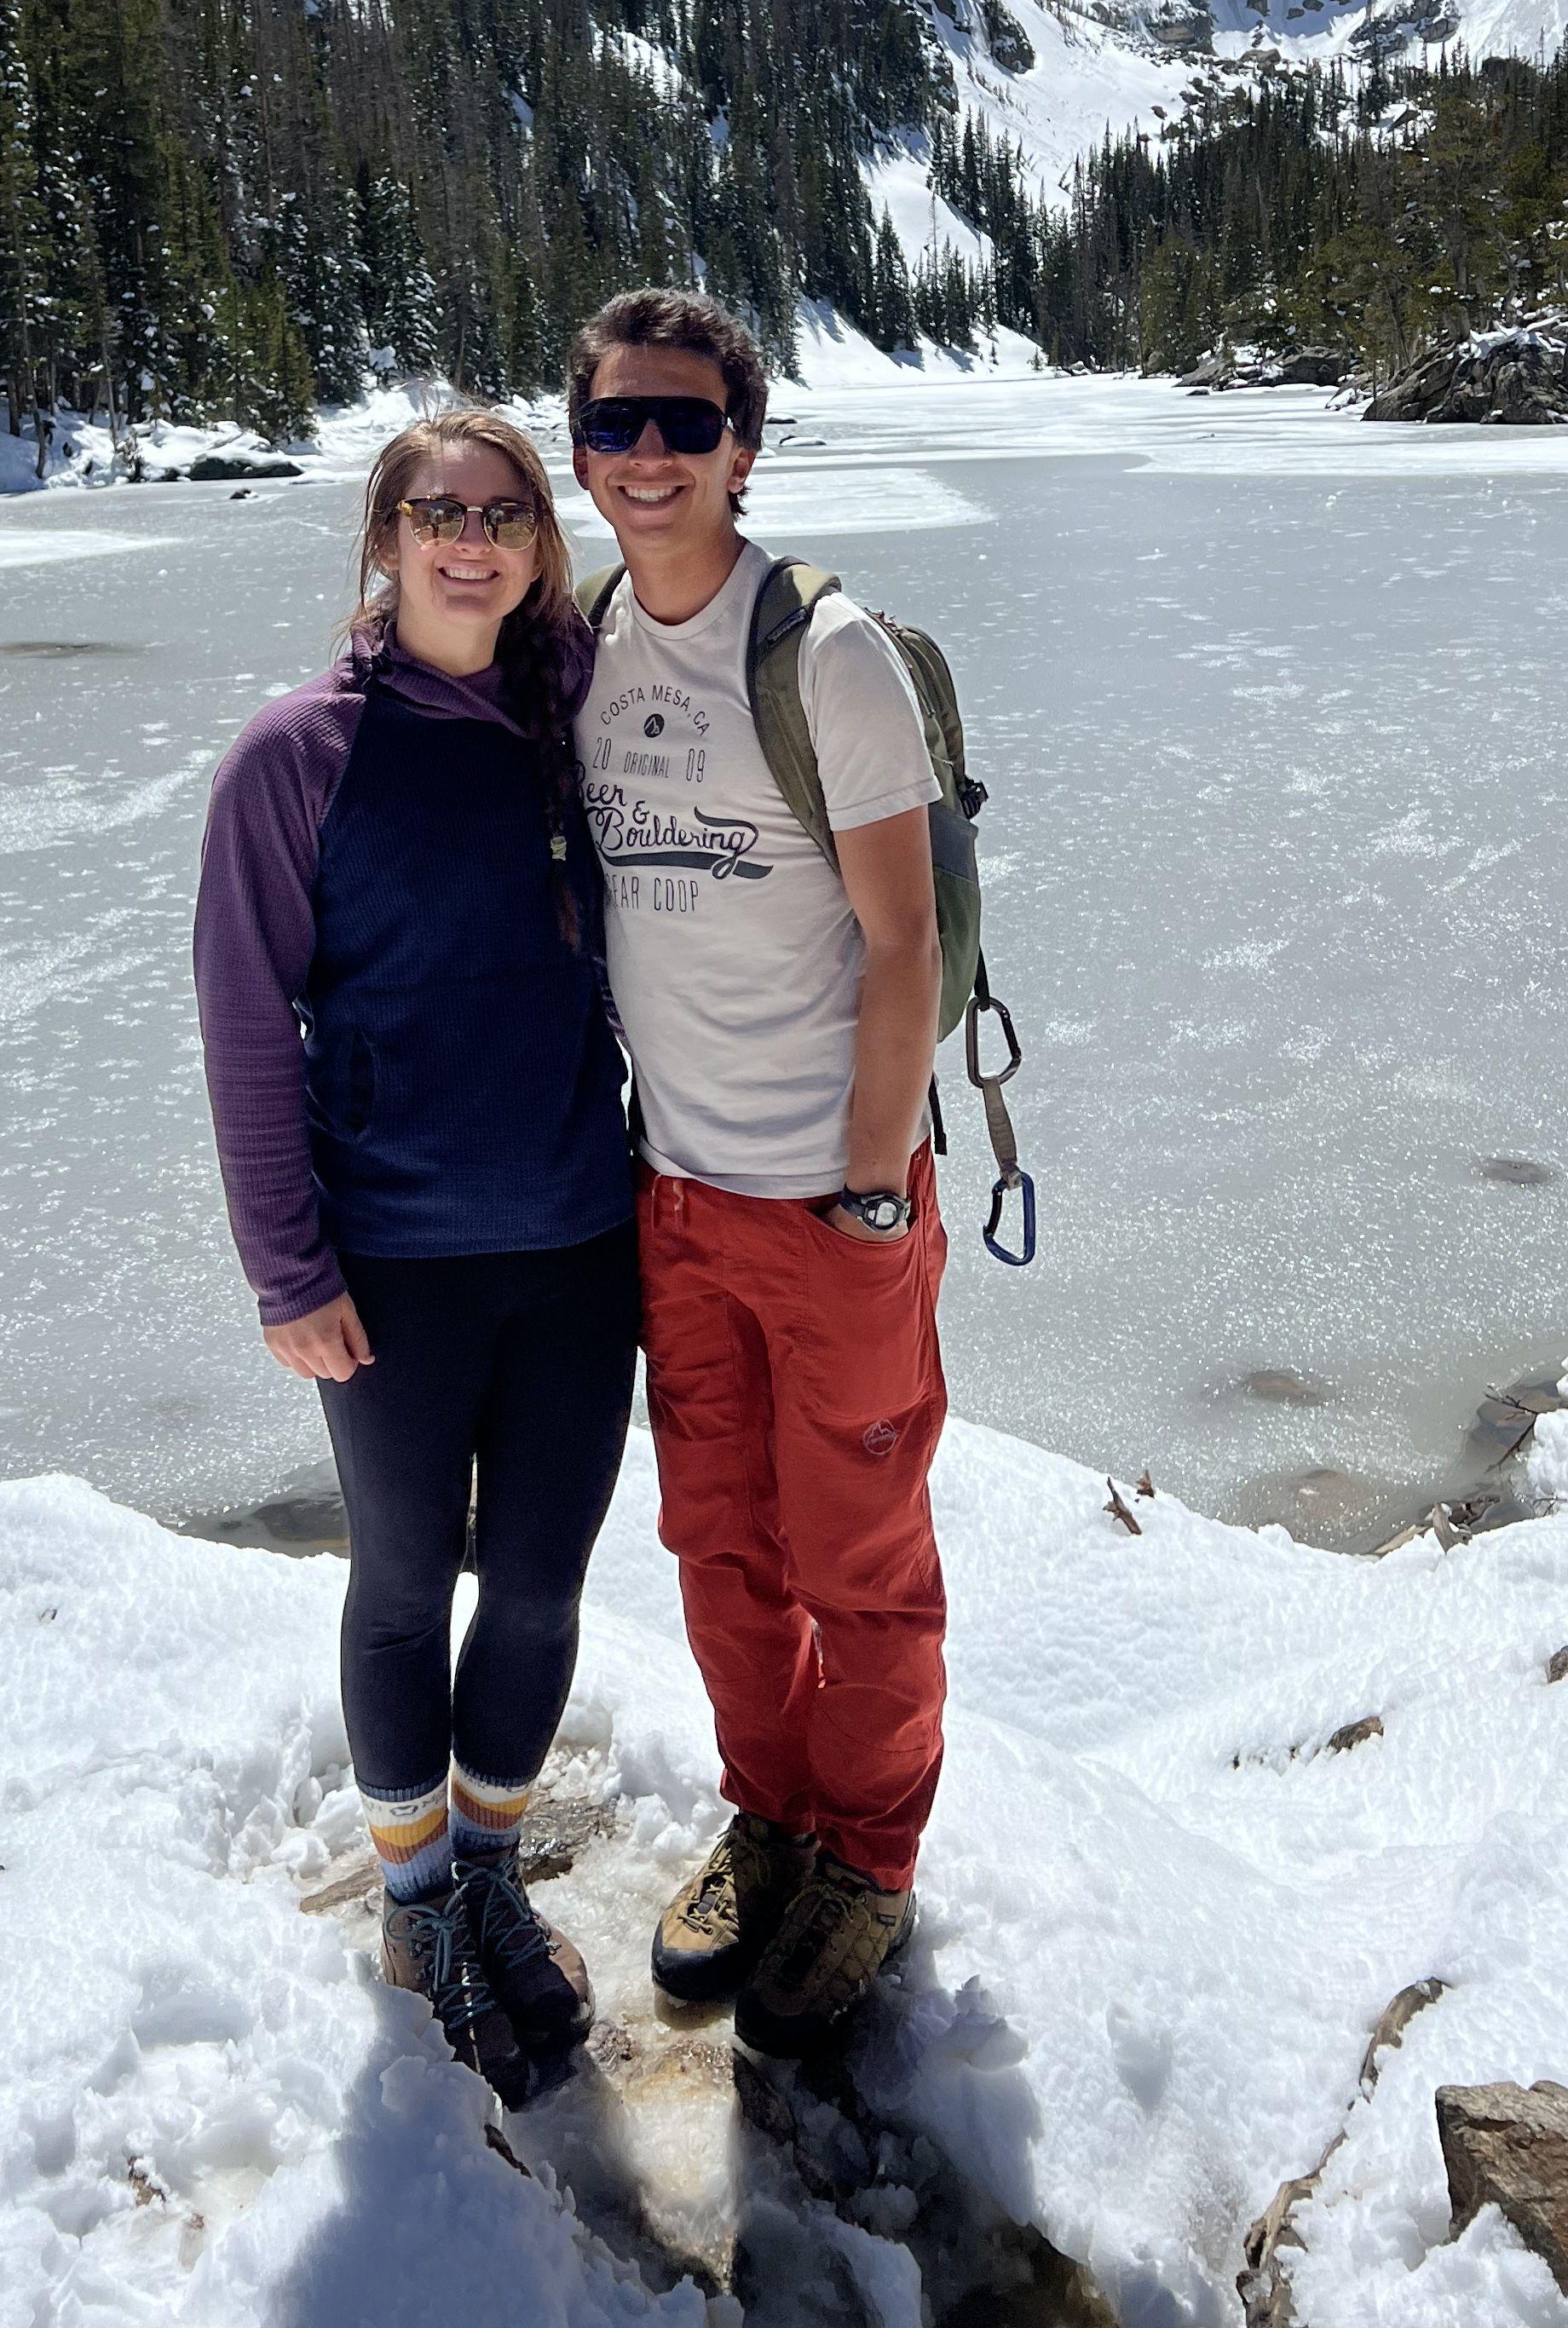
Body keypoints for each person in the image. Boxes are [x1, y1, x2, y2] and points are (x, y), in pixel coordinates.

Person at [192, 410, 637, 2108]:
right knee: (400, 1584)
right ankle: (416, 1902)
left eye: (505, 513)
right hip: (392, 1261)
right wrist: (286, 1269)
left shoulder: (572, 728)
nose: (472, 538)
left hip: (579, 1242)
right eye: (438, 511)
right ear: (384, 539)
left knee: (537, 1585)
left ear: (538, 546)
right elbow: (247, 1027)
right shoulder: (296, 758)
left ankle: (492, 1871)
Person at [567, 287, 953, 2059]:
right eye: (615, 424)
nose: (648, 456)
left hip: (827, 1200)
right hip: (675, 1194)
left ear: (743, 447)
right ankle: (773, 1813)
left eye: (684, 422)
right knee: (721, 1546)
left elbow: (904, 943)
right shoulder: (589, 645)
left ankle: (869, 1857)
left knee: (859, 1558)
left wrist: (869, 1193)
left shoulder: (825, 655)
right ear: (582, 453)